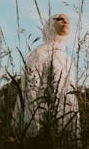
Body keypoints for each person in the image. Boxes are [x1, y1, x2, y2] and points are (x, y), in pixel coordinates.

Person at [13, 14, 80, 142]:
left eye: (68, 20)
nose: (65, 22)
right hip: (44, 117)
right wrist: (35, 123)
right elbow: (31, 89)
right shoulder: (40, 53)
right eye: (60, 19)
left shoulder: (68, 58)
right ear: (50, 24)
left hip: (66, 116)